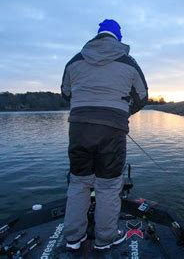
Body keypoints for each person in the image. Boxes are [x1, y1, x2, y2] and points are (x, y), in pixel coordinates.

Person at [61, 19, 148, 250]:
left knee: (79, 182)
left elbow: (65, 92)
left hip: (79, 128)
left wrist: (85, 105)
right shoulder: (128, 62)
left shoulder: (75, 60)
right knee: (108, 186)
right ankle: (105, 238)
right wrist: (121, 112)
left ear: (98, 34)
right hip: (112, 131)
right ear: (118, 37)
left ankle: (73, 238)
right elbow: (142, 96)